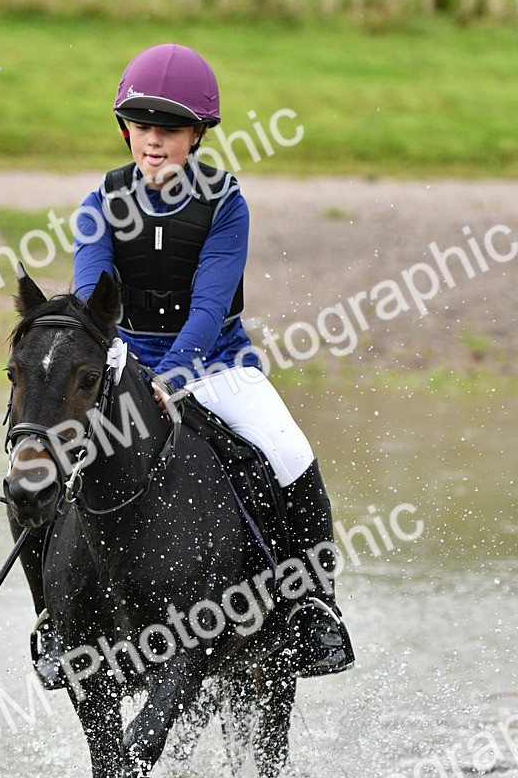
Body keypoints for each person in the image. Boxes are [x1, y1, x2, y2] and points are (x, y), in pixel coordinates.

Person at [69, 42, 354, 678]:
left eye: (168, 130)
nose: (152, 142)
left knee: (289, 453)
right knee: (53, 452)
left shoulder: (226, 205)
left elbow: (207, 306)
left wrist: (173, 377)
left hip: (217, 365)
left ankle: (314, 608)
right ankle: (57, 619)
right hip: (124, 362)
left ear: (196, 134)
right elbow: (92, 302)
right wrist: (121, 370)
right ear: (125, 129)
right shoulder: (98, 206)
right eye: (142, 127)